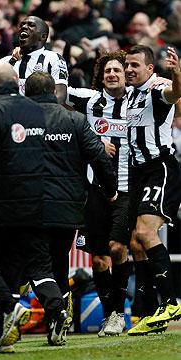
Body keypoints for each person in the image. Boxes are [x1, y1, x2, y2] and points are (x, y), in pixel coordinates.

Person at [0, 60, 74, 353]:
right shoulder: (36, 111)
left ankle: (10, 306)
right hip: (35, 202)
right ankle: (55, 309)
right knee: (35, 264)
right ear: (15, 79)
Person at [24, 70, 121, 337]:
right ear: (54, 92)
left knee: (37, 265)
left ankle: (56, 310)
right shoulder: (76, 120)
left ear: (27, 94)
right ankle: (61, 311)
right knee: (58, 261)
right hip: (70, 207)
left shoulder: (19, 122)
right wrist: (111, 189)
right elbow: (100, 157)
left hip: (34, 204)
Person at [67, 51, 131, 337]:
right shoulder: (89, 100)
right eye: (108, 71)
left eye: (117, 69)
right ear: (101, 75)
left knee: (118, 249)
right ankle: (109, 317)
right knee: (97, 260)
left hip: (127, 187)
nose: (112, 74)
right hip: (93, 189)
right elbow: (53, 90)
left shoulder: (138, 100)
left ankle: (119, 312)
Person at [125, 44, 181, 329]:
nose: (129, 70)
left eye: (135, 65)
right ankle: (149, 312)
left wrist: (177, 74)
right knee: (135, 241)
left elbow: (174, 94)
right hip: (139, 172)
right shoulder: (128, 96)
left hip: (161, 168)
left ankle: (171, 304)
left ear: (150, 69)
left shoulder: (157, 87)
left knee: (146, 233)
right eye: (127, 65)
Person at [1, 15, 68, 104]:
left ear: (43, 37)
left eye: (31, 25)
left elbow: (60, 96)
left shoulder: (53, 59)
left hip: (41, 114)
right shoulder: (6, 62)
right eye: (22, 25)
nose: (24, 27)